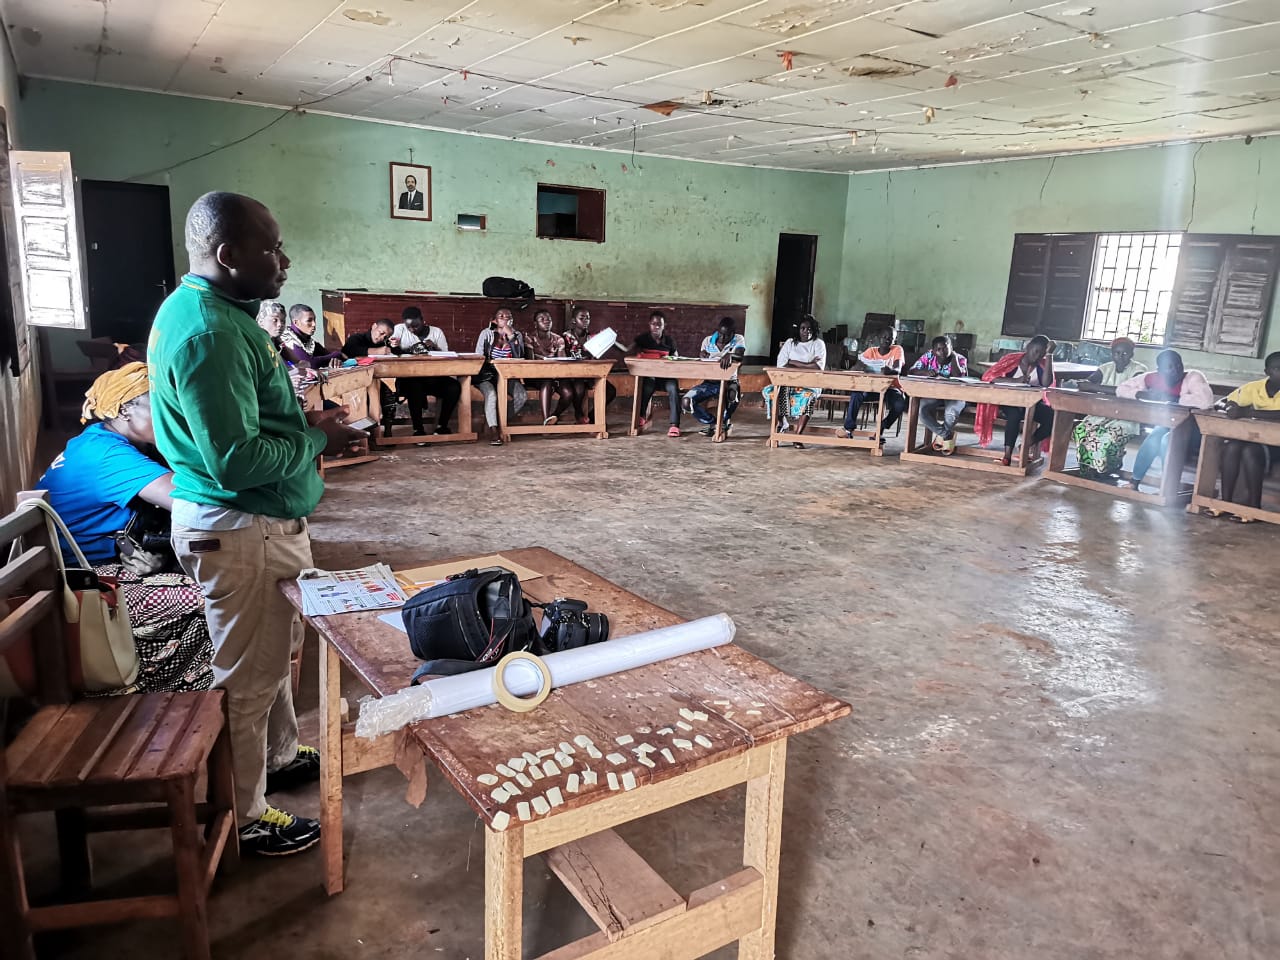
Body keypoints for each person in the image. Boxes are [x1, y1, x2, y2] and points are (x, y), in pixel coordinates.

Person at [148, 191, 364, 857]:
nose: (285, 259)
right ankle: (246, 814)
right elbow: (236, 459)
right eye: (272, 248)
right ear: (229, 254)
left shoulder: (215, 312)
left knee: (272, 655)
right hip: (240, 524)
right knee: (245, 674)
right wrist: (315, 436)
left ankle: (280, 755)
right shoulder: (210, 333)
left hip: (254, 522)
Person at [36, 364, 213, 694]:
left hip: (86, 573)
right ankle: (159, 693)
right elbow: (195, 503)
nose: (171, 417)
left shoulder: (96, 440)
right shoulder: (108, 455)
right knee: (215, 597)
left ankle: (175, 682)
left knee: (209, 582)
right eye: (160, 407)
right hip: (80, 589)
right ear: (124, 409)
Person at [1117, 349, 1214, 490]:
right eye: (1169, 367)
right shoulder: (1152, 378)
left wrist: (1176, 399)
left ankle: (1167, 487)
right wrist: (1140, 393)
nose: (1175, 370)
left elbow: (1206, 401)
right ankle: (1134, 482)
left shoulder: (1193, 377)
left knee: (1167, 440)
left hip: (1195, 430)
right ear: (1159, 371)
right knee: (1154, 437)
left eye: (1178, 365)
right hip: (1172, 424)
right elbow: (1121, 389)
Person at [1210, 351, 1280, 517]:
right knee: (1231, 447)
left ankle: (1254, 508)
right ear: (1267, 372)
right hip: (1253, 439)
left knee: (1251, 451)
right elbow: (1221, 402)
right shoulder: (1254, 388)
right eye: (1277, 368)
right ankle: (1225, 502)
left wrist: (1247, 413)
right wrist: (1230, 408)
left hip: (1276, 445)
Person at [1071, 337, 1148, 479]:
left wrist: (1095, 387)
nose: (1120, 357)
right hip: (1102, 414)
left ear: (1131, 354)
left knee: (1107, 437)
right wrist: (1091, 385)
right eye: (1117, 353)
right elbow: (1086, 383)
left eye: (1125, 353)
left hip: (1127, 416)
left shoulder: (1139, 370)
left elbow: (1131, 391)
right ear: (1112, 354)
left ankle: (1108, 468)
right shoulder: (1105, 368)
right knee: (1081, 431)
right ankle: (1087, 468)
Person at [974, 335, 1055, 466]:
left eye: (1041, 354)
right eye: (1035, 351)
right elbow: (990, 377)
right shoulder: (1011, 360)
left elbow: (1046, 383)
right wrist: (1015, 381)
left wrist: (1050, 355)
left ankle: (1027, 443)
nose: (1037, 357)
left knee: (1052, 417)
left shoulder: (1043, 365)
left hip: (1031, 404)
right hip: (1008, 402)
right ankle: (1007, 456)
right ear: (1028, 347)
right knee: (1014, 415)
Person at [389, 307, 462, 438]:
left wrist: (434, 347)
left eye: (416, 326)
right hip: (409, 378)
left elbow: (447, 357)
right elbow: (392, 349)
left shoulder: (436, 332)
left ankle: (442, 426)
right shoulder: (400, 329)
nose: (412, 329)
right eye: (409, 327)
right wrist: (394, 345)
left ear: (423, 321)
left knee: (454, 387)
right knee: (414, 386)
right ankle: (418, 429)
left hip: (434, 378)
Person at [762, 315, 826, 448]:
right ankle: (781, 424)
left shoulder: (818, 344)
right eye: (803, 328)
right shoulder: (790, 343)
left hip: (810, 383)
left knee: (809, 397)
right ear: (798, 330)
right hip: (788, 381)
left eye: (809, 328)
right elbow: (782, 365)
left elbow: (818, 366)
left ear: (814, 330)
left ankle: (797, 435)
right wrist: (807, 364)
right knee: (773, 393)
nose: (806, 331)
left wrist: (792, 362)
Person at [840, 324, 906, 444]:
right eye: (884, 337)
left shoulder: (897, 349)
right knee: (856, 393)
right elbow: (857, 367)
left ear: (894, 340)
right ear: (878, 338)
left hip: (890, 389)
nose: (886, 340)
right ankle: (848, 428)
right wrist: (858, 367)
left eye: (890, 338)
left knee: (900, 404)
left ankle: (881, 427)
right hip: (872, 388)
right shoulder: (871, 351)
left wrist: (889, 370)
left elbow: (898, 369)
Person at [475, 307, 529, 445]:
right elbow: (478, 357)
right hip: (487, 375)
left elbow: (520, 357)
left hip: (508, 375)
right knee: (492, 394)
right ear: (494, 320)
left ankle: (497, 422)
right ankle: (494, 431)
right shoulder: (486, 334)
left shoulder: (517, 335)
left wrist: (511, 337)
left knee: (521, 396)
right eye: (501, 316)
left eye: (508, 316)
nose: (504, 318)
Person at [908, 334, 969, 454]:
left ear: (951, 347)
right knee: (921, 410)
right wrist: (925, 372)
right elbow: (912, 370)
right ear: (933, 350)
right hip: (934, 394)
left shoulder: (960, 359)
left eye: (945, 347)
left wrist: (953, 358)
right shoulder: (929, 356)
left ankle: (942, 437)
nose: (942, 352)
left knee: (950, 413)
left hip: (956, 395)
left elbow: (959, 377)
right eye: (938, 349)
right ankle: (946, 435)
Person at [686, 317, 746, 437]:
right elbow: (702, 358)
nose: (722, 338)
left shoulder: (739, 339)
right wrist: (701, 354)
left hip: (730, 381)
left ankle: (724, 422)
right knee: (687, 401)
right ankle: (714, 423)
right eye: (720, 334)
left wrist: (730, 355)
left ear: (733, 334)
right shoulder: (708, 341)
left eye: (727, 335)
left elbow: (739, 355)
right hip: (710, 382)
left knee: (733, 395)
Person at [557, 306, 617, 423]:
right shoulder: (565, 337)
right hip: (573, 375)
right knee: (579, 388)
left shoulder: (592, 337)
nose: (586, 320)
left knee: (611, 391)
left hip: (590, 373)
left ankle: (592, 417)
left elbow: (595, 357)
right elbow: (563, 359)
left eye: (588, 318)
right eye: (582, 318)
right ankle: (579, 414)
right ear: (574, 320)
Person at [628, 310, 681, 437]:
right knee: (647, 386)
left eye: (659, 324)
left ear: (664, 325)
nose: (656, 327)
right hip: (650, 377)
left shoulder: (669, 341)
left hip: (665, 377)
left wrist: (670, 359)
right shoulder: (643, 339)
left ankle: (675, 425)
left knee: (673, 388)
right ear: (649, 324)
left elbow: (677, 358)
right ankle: (641, 417)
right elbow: (627, 350)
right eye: (653, 324)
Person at [343, 319, 399, 431]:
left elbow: (398, 355)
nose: (382, 337)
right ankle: (364, 432)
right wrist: (378, 351)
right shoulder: (357, 338)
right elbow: (352, 350)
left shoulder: (384, 343)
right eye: (381, 333)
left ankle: (387, 431)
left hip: (376, 381)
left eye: (386, 336)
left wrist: (394, 346)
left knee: (389, 394)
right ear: (374, 326)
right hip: (354, 383)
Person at [526, 308, 566, 426]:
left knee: (568, 393)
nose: (546, 321)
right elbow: (530, 362)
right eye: (542, 319)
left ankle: (554, 417)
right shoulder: (530, 338)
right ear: (535, 323)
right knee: (547, 382)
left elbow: (563, 362)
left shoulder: (558, 339)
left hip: (556, 376)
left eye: (549, 319)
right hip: (535, 376)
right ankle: (546, 420)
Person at [280, 303, 344, 369]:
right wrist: (336, 355)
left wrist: (335, 359)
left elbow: (328, 354)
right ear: (296, 323)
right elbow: (310, 363)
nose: (314, 324)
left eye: (314, 320)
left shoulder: (306, 339)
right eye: (309, 321)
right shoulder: (288, 339)